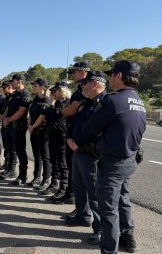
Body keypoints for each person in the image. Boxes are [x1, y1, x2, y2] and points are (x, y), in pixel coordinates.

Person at [82, 60, 146, 254]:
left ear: (119, 76)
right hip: (130, 160)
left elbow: (88, 129)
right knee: (123, 200)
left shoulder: (113, 100)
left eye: (111, 74)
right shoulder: (139, 101)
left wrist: (103, 132)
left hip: (113, 163)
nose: (109, 78)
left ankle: (109, 250)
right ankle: (128, 239)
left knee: (108, 211)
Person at [65, 71, 107, 245]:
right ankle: (83, 216)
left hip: (91, 154)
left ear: (95, 84)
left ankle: (101, 229)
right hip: (77, 150)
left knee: (95, 193)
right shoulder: (86, 102)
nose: (82, 86)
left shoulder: (105, 103)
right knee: (78, 186)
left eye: (85, 83)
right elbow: (74, 124)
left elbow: (101, 131)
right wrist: (69, 139)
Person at [61, 61, 90, 204]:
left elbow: (70, 110)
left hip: (79, 137)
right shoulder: (80, 90)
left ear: (82, 72)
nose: (72, 76)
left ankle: (76, 201)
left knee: (79, 172)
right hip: (72, 133)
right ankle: (72, 196)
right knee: (72, 168)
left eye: (74, 72)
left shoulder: (85, 90)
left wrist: (63, 109)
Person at [39, 82, 71, 195]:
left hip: (62, 135)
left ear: (63, 91)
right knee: (54, 161)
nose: (53, 93)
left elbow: (56, 115)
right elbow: (47, 115)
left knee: (62, 162)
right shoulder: (56, 102)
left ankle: (63, 188)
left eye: (55, 91)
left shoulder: (68, 103)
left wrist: (52, 103)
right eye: (52, 91)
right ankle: (54, 184)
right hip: (53, 134)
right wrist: (52, 103)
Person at [3, 74, 32, 185]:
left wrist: (8, 119)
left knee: (20, 151)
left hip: (18, 126)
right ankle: (11, 170)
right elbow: (9, 108)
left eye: (13, 81)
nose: (11, 83)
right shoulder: (14, 94)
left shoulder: (25, 95)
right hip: (10, 125)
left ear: (19, 81)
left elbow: (21, 111)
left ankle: (23, 175)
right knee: (10, 149)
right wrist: (5, 119)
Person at [28, 78, 51, 188]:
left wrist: (33, 126)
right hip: (33, 130)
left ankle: (46, 179)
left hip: (42, 130)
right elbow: (31, 114)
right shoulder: (35, 99)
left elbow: (42, 116)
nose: (33, 87)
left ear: (42, 87)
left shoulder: (46, 99)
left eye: (35, 85)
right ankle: (37, 177)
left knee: (45, 156)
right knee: (37, 155)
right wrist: (29, 125)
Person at [0, 81, 17, 179]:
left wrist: (7, 119)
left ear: (9, 87)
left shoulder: (13, 96)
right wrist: (2, 117)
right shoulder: (7, 98)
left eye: (4, 88)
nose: (2, 90)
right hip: (5, 124)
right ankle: (8, 165)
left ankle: (12, 169)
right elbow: (6, 110)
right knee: (7, 146)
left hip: (12, 125)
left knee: (12, 149)